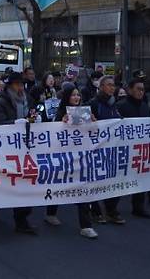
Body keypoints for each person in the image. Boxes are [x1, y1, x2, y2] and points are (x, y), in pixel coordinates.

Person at [45, 85, 99, 239]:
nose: (77, 98)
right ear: (67, 97)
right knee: (58, 185)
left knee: (83, 188)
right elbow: (54, 135)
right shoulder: (61, 114)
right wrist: (61, 123)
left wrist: (94, 122)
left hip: (81, 158)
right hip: (64, 158)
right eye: (73, 95)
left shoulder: (84, 113)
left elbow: (93, 133)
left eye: (78, 95)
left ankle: (86, 225)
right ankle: (50, 213)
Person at [0, 72, 38, 234]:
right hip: (7, 149)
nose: (20, 87)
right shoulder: (1, 103)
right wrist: (14, 123)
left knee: (25, 182)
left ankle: (22, 219)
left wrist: (36, 119)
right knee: (2, 182)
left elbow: (33, 114)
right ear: (10, 86)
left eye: (22, 84)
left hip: (26, 148)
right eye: (17, 84)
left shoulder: (28, 99)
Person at [116, 78, 150, 217]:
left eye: (143, 89)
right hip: (123, 149)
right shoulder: (121, 106)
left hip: (141, 149)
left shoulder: (145, 106)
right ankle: (111, 208)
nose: (141, 91)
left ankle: (138, 207)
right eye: (138, 89)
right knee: (119, 179)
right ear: (130, 90)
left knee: (141, 179)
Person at [88, 75, 126, 225]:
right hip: (97, 150)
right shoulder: (93, 104)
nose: (112, 87)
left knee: (114, 179)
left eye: (113, 85)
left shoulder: (113, 104)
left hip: (112, 149)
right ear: (101, 86)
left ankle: (111, 210)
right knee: (95, 181)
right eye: (109, 85)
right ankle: (95, 211)